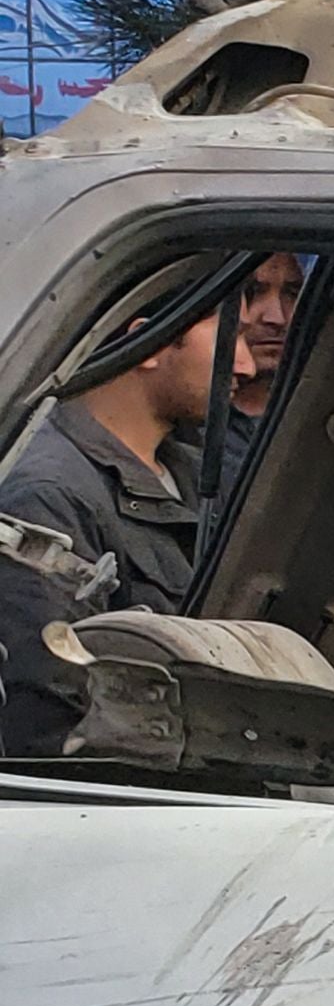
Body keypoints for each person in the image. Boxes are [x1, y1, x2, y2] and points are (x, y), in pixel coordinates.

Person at [0, 299, 218, 754]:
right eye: (226, 336)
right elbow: (50, 723)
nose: (246, 363)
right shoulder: (49, 492)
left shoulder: (204, 477)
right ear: (150, 343)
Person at [207, 250, 306, 500]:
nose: (277, 318)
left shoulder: (319, 417)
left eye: (293, 293)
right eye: (253, 292)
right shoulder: (182, 429)